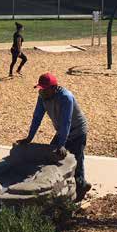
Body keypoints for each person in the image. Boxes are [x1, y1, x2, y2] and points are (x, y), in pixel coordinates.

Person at [17, 72, 91, 202]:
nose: (41, 91)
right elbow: (37, 118)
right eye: (40, 88)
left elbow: (66, 121)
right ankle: (67, 187)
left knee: (77, 159)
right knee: (53, 157)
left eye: (44, 89)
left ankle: (80, 190)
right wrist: (29, 138)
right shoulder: (42, 97)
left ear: (54, 88)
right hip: (62, 130)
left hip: (77, 130)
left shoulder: (66, 98)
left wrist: (61, 144)